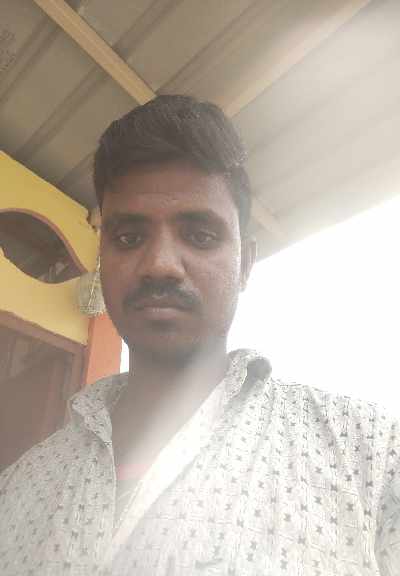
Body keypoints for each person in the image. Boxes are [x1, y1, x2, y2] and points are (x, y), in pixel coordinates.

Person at [0, 95, 399, 576]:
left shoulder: (369, 456)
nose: (160, 265)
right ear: (103, 258)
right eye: (129, 238)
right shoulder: (18, 488)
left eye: (200, 236)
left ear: (245, 264)